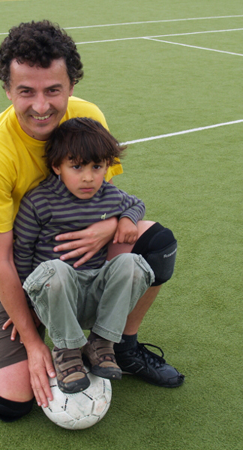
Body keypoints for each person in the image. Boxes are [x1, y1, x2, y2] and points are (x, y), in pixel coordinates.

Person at [0, 20, 183, 423]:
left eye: (53, 90)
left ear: (71, 85)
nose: (42, 105)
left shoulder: (88, 117)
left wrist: (110, 224)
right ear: (8, 90)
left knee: (156, 244)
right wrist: (31, 341)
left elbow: (109, 197)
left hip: (88, 255)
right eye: (26, 91)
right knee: (10, 404)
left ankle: (119, 344)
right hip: (20, 268)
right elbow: (0, 257)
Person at [14, 117, 155, 394]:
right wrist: (25, 306)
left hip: (93, 291)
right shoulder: (39, 202)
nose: (88, 177)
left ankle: (101, 342)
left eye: (97, 167)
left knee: (133, 264)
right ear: (57, 167)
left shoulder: (109, 195)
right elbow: (21, 253)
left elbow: (137, 204)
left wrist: (127, 219)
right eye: (76, 167)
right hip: (54, 296)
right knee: (56, 270)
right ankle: (66, 351)